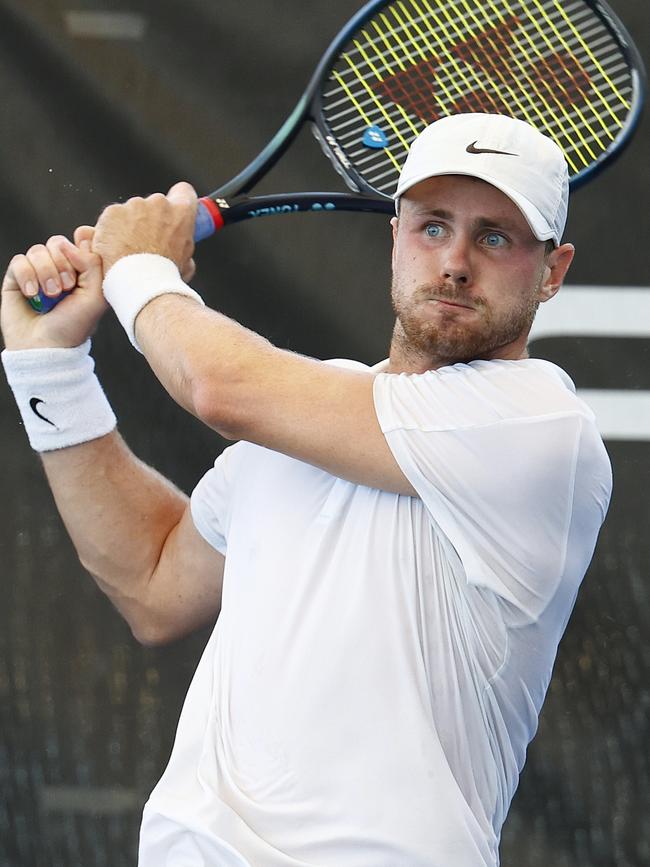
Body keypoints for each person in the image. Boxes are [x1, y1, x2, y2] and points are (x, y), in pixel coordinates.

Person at [1, 113, 612, 867]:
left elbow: (219, 386)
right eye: (432, 226)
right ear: (395, 235)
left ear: (553, 272)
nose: (454, 261)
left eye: (495, 238)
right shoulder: (303, 415)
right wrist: (49, 369)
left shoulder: (541, 424)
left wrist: (139, 268)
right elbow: (152, 581)